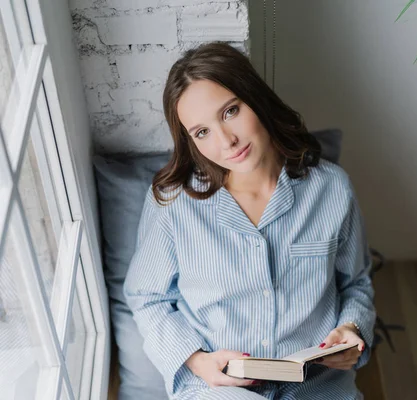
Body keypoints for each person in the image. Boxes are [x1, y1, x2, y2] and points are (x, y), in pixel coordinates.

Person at [123, 42, 376, 400]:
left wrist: (351, 329)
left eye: (230, 112)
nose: (227, 141)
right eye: (202, 132)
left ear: (255, 99)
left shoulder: (331, 188)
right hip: (216, 388)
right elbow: (146, 298)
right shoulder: (173, 204)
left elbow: (356, 285)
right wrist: (196, 360)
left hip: (317, 387)